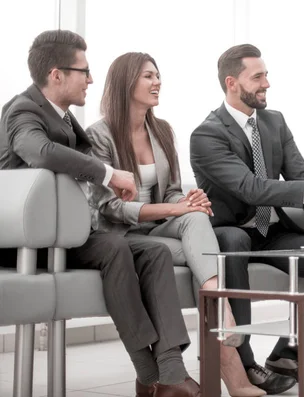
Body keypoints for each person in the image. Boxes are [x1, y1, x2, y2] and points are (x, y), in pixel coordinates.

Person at [0, 30, 202, 397]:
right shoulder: (22, 110)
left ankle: (170, 372)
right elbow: (40, 152)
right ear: (56, 74)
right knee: (114, 248)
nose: (92, 79)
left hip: (72, 232)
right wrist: (109, 174)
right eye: (84, 70)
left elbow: (83, 170)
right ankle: (147, 371)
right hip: (32, 241)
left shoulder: (66, 120)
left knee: (154, 252)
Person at [85, 51, 265, 397]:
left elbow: (169, 192)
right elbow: (110, 208)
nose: (157, 83)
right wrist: (175, 209)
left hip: (158, 228)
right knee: (196, 232)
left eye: (158, 76)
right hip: (122, 234)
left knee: (198, 214)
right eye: (148, 77)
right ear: (126, 83)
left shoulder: (163, 130)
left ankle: (219, 304)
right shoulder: (100, 135)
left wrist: (187, 202)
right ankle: (221, 329)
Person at [189, 44, 304, 395]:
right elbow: (251, 189)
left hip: (272, 232)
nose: (267, 83)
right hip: (230, 231)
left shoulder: (274, 122)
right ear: (232, 82)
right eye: (258, 76)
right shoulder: (206, 135)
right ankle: (245, 364)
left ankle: (286, 352)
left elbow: (302, 176)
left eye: (266, 74)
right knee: (233, 243)